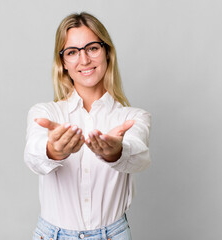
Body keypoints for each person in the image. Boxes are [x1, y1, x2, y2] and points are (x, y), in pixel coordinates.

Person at [24, 12, 151, 240]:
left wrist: (116, 153)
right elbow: (33, 157)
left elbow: (140, 158)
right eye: (72, 52)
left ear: (107, 53)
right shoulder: (44, 113)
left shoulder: (133, 117)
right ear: (63, 62)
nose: (84, 60)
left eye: (92, 48)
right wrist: (53, 151)